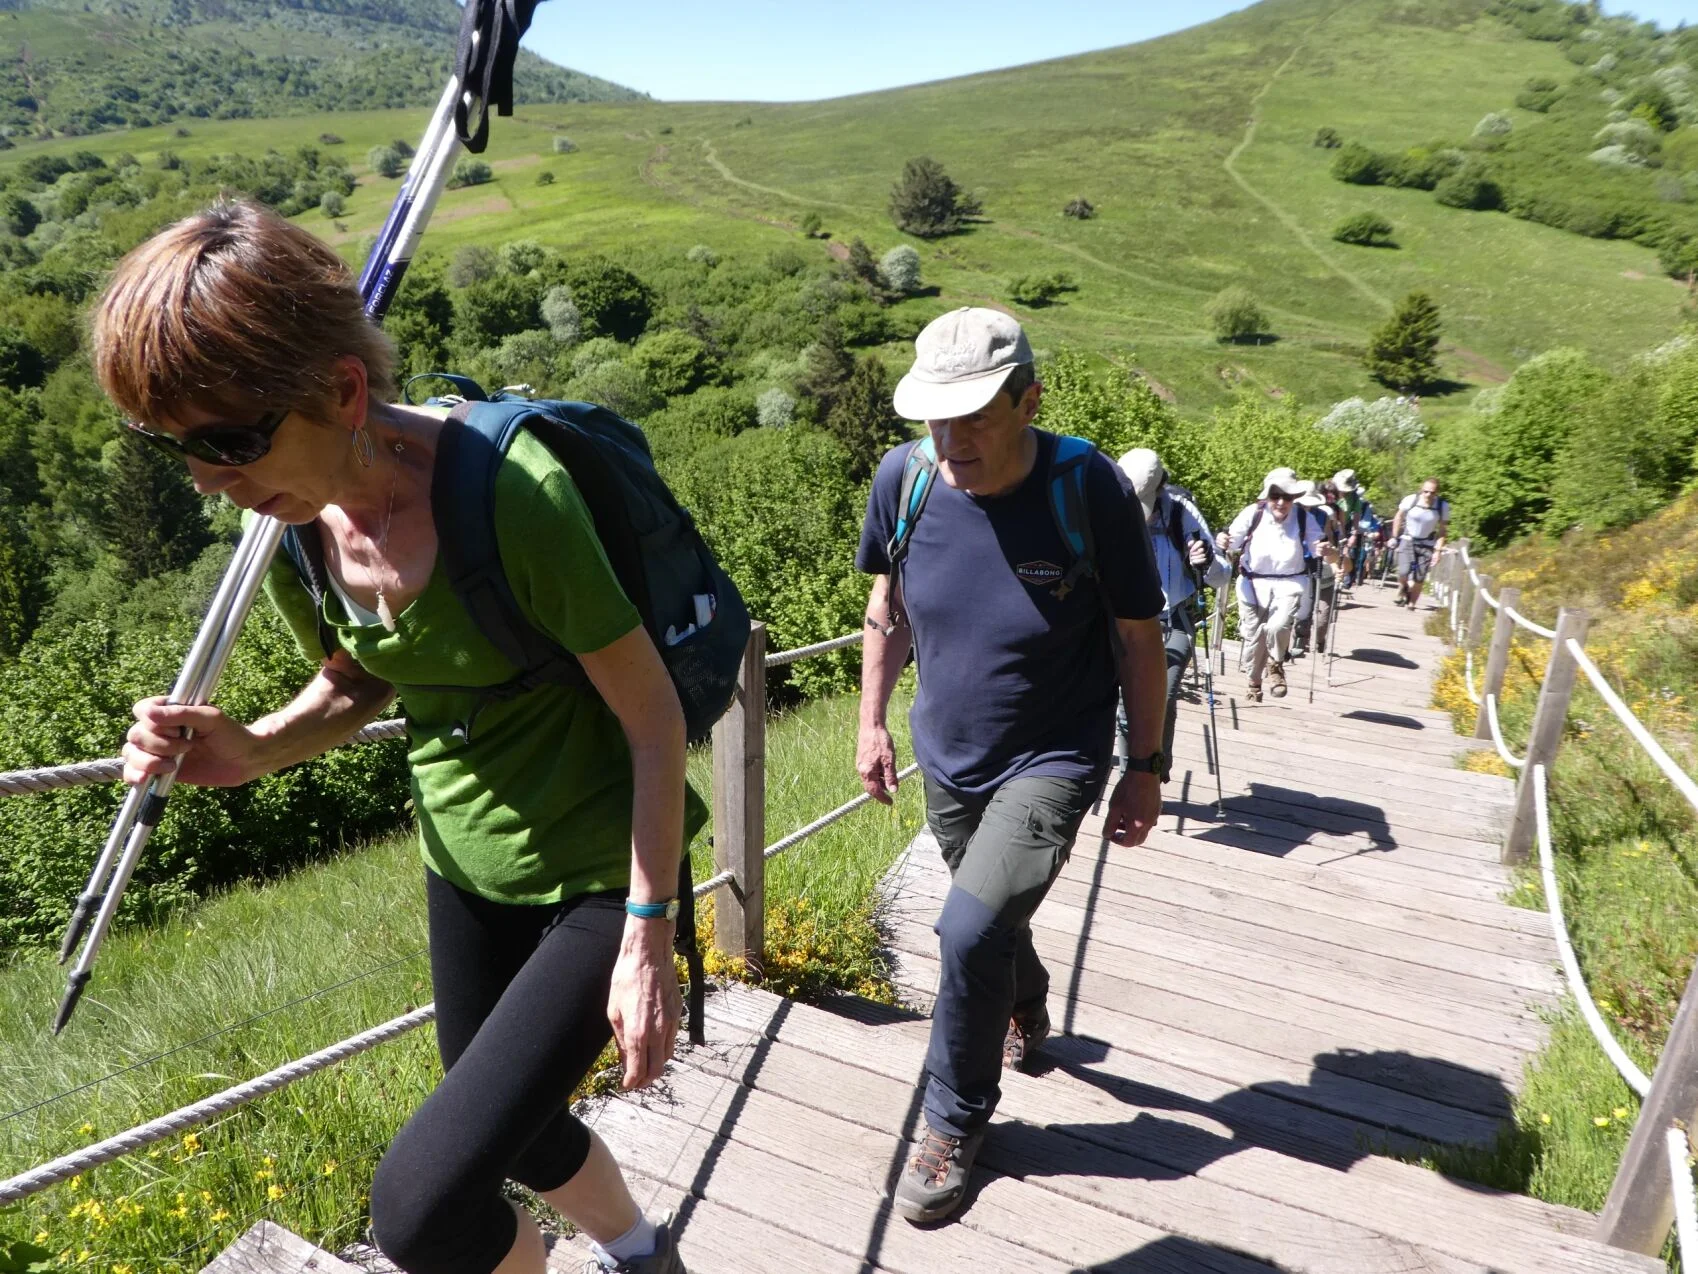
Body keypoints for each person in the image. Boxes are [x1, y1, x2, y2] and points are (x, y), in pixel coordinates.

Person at [98, 201, 695, 1274]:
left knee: (420, 1211)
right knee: (514, 1124)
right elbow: (367, 669)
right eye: (176, 447)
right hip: (463, 852)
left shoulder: (514, 497)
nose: (207, 479)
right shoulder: (292, 528)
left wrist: (649, 934)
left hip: (607, 863)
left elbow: (654, 717)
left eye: (230, 440)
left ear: (342, 389)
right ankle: (646, 1252)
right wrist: (252, 745)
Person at [854, 308, 1167, 1225]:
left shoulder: (1087, 489)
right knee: (986, 925)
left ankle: (954, 1122)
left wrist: (1144, 765)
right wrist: (870, 721)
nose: (951, 443)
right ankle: (1025, 1001)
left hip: (1054, 758)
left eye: (975, 418)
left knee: (964, 930)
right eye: (935, 420)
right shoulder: (904, 480)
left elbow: (1138, 639)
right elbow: (888, 606)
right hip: (946, 755)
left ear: (1030, 400)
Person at [1115, 448, 1229, 781]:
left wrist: (1206, 559)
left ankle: (1151, 769)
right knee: (1128, 705)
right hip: (1125, 624)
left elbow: (1222, 574)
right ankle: (1132, 778)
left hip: (1174, 621)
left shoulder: (1182, 514)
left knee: (1160, 697)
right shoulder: (1113, 507)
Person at [1216, 468, 1334, 702]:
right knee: (1253, 637)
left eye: (1287, 497)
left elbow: (1316, 545)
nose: (1281, 502)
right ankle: (1254, 682)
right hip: (1252, 583)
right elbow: (1232, 541)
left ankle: (1276, 664)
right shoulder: (1253, 513)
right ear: (1267, 496)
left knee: (1277, 626)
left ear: (1294, 499)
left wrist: (1323, 548)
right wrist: (1222, 539)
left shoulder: (1302, 517)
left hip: (1289, 582)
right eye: (1275, 496)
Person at [1293, 480, 1346, 659]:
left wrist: (1332, 561)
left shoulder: (1322, 514)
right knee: (1299, 605)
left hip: (1314, 563)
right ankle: (1296, 640)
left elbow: (1327, 539)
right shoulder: (1288, 513)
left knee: (1314, 607)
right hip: (1293, 564)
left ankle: (1310, 641)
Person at [1392, 477, 1451, 609]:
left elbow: (1442, 530)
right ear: (1421, 490)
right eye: (1426, 491)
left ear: (1437, 493)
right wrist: (1394, 537)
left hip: (1427, 544)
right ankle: (1404, 587)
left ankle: (1412, 603)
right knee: (1403, 571)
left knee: (1420, 576)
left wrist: (1438, 551)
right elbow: (1398, 516)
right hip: (1408, 540)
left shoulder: (1442, 506)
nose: (1429, 495)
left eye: (1432, 492)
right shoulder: (1411, 500)